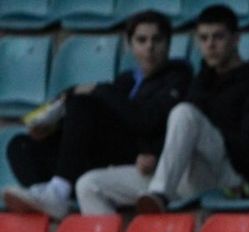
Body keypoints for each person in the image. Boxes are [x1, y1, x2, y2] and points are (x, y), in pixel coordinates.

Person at [74, 4, 249, 216]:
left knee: (185, 112)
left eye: (218, 37)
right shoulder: (202, 81)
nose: (210, 45)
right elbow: (177, 134)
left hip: (230, 178)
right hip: (184, 174)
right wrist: (154, 156)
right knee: (89, 185)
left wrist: (205, 132)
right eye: (203, 38)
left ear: (236, 39)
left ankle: (159, 193)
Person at [2, 9, 191, 220]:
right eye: (142, 40)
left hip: (141, 160)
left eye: (157, 40)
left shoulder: (179, 77)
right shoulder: (126, 80)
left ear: (169, 43)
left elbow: (146, 122)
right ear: (131, 45)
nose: (150, 47)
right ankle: (47, 193)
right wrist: (49, 129)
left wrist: (99, 89)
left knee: (84, 104)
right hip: (100, 157)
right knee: (20, 145)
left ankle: (58, 191)